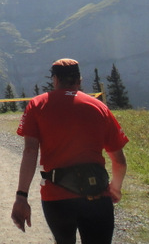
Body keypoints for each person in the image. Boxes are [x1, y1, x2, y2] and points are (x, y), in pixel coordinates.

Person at [11, 58, 128, 244]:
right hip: (97, 195)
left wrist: (21, 197)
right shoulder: (100, 108)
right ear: (79, 80)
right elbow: (119, 161)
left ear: (55, 79)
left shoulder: (37, 105)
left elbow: (30, 152)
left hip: (56, 198)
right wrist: (115, 188)